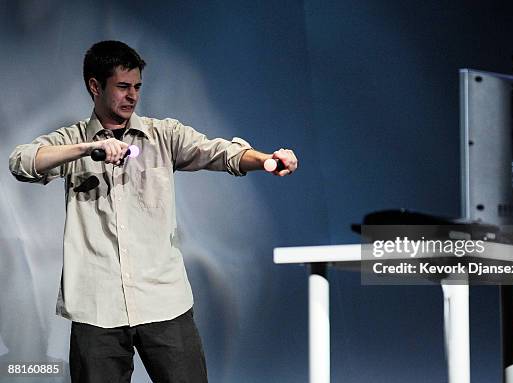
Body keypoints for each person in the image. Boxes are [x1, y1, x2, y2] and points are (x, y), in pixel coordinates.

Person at [8, 40, 298, 383]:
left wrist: (264, 160)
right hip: (96, 308)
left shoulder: (163, 135)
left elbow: (220, 152)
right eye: (122, 87)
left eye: (137, 87)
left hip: (163, 302)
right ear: (95, 86)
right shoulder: (71, 141)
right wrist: (88, 148)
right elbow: (22, 162)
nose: (132, 96)